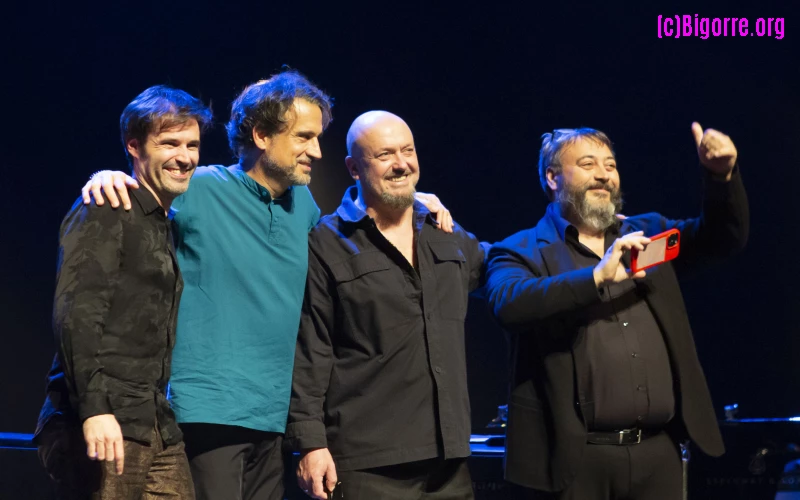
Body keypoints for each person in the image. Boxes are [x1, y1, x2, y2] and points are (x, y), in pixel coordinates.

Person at [80, 71, 453, 500]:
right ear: (260, 135)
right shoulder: (202, 188)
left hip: (273, 418)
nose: (316, 151)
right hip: (208, 413)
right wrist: (106, 176)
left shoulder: (303, 205)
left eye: (317, 138)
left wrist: (408, 201)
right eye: (304, 137)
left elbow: (352, 232)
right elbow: (146, 191)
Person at [484, 123, 749, 499]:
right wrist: (595, 277)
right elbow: (509, 303)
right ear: (552, 178)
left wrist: (721, 177)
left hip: (657, 453)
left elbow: (722, 238)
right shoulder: (520, 251)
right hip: (574, 460)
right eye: (588, 164)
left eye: (610, 165)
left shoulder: (646, 234)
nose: (603, 174)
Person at [286, 111, 487, 500]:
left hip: (449, 465)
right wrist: (310, 443)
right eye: (385, 155)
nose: (401, 164)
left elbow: (506, 275)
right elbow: (310, 351)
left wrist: (593, 271)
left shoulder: (445, 233)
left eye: (408, 151)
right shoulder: (326, 243)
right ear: (353, 168)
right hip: (367, 464)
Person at [34, 85, 212, 499]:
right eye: (170, 143)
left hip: (154, 421)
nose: (185, 156)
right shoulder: (107, 206)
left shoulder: (161, 221)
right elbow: (76, 314)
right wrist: (94, 409)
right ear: (134, 146)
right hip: (102, 417)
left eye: (192, 145)